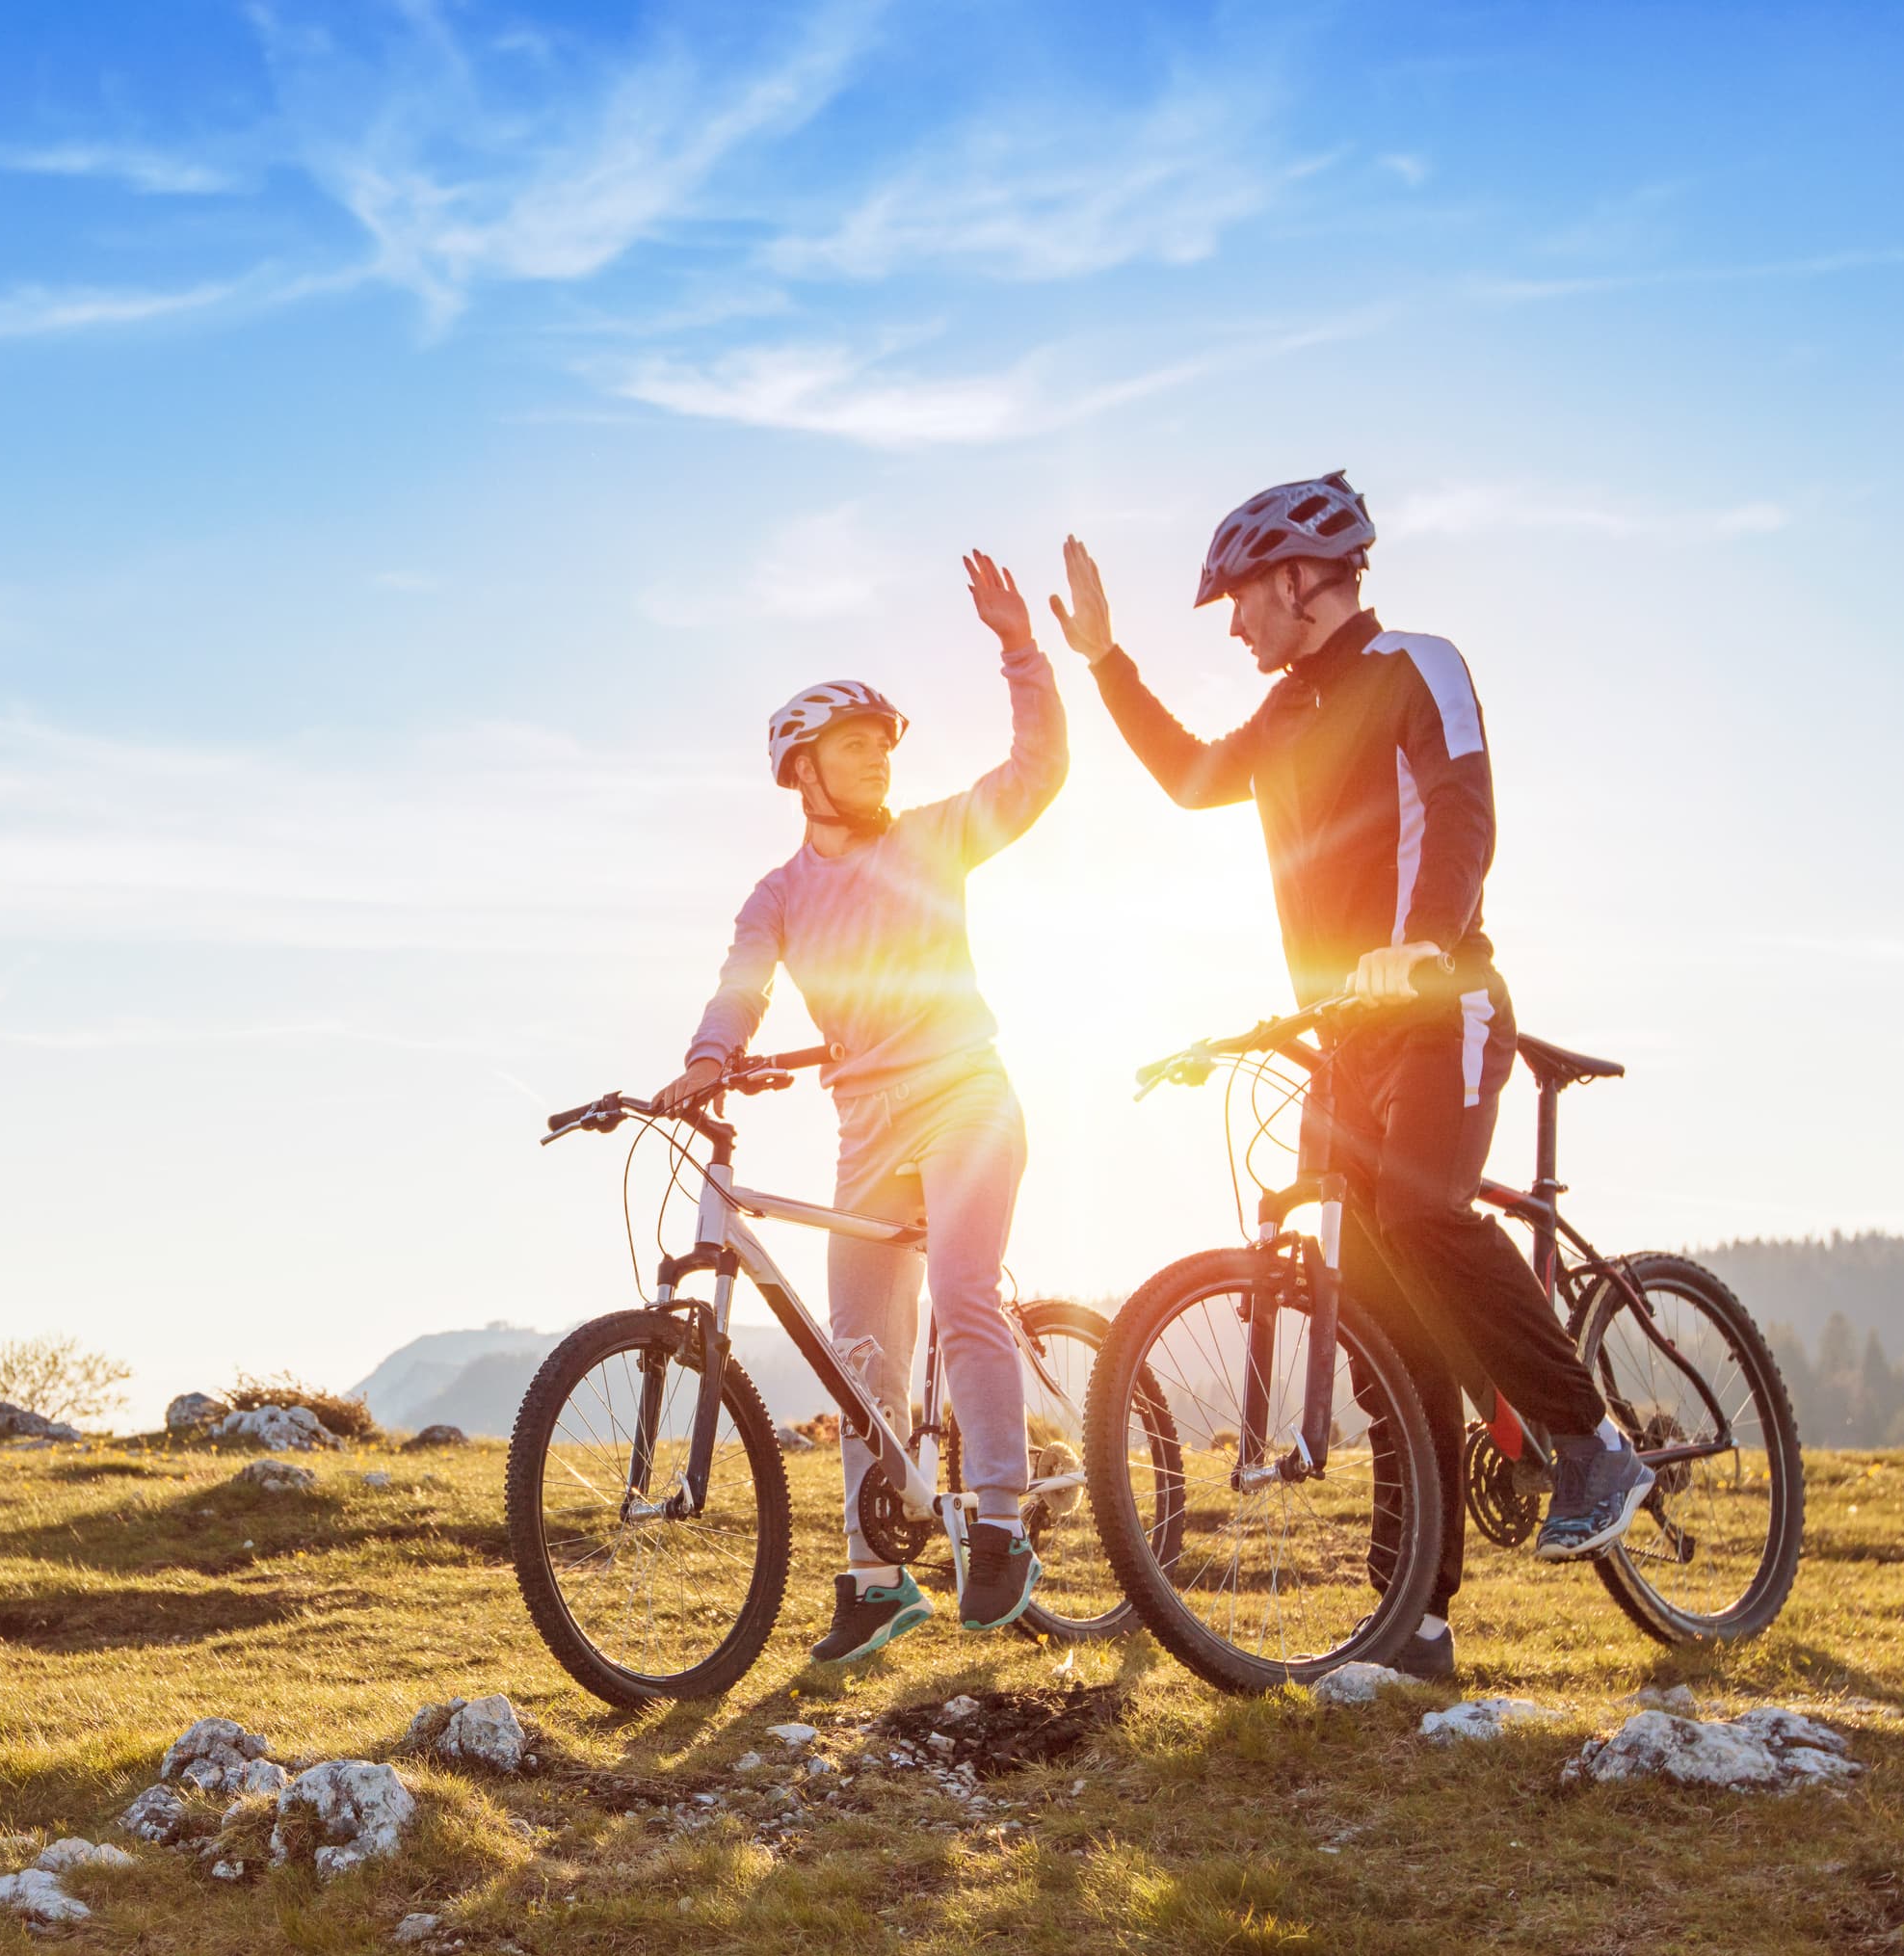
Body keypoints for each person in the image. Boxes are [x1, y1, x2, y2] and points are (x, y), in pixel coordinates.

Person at [1051, 476, 1653, 1678]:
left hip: (1444, 1007)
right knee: (1382, 1327)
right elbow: (1185, 777)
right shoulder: (1283, 717)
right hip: (1348, 1036)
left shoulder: (1416, 668)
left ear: (1295, 581)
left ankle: (1591, 1442)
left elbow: (1461, 808)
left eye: (1237, 602)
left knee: (1424, 1214)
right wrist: (1105, 658)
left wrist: (1424, 936)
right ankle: (1415, 1622)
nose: (1232, 629)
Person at [658, 552, 1068, 1670]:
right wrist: (707, 1056)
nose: (880, 760)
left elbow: (1037, 772)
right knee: (856, 1355)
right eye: (855, 747)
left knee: (963, 1290)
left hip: (968, 1095)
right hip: (867, 1128)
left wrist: (1019, 648)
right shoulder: (778, 894)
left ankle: (997, 1519)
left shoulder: (936, 835)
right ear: (803, 772)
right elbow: (742, 981)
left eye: (887, 745)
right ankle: (878, 1579)